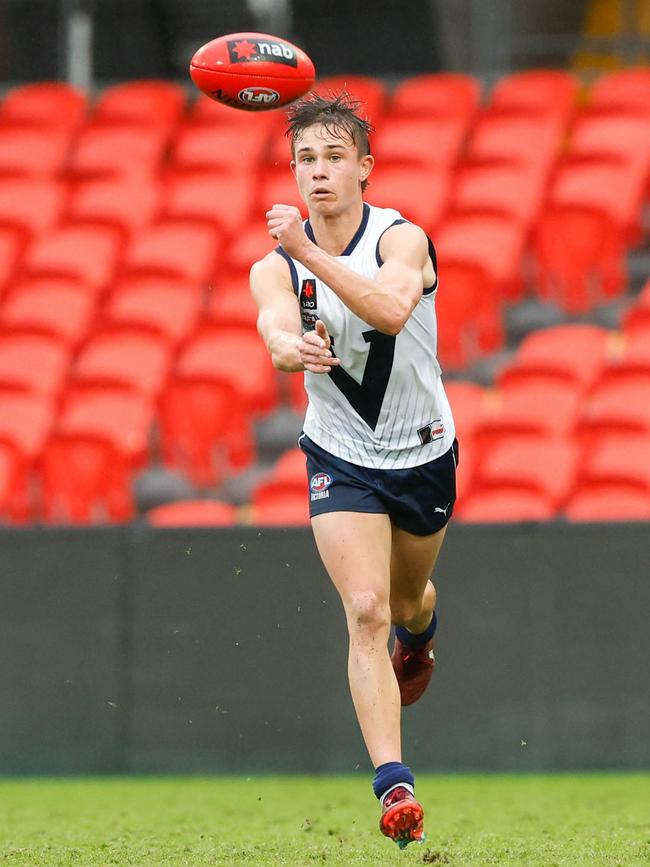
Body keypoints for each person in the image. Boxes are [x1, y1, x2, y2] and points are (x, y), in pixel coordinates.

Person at [250, 93, 457, 850]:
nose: (319, 171)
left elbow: (394, 312)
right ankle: (394, 784)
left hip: (424, 452)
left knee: (406, 598)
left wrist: (310, 252)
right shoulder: (271, 267)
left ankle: (424, 628)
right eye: (305, 159)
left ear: (365, 168)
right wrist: (286, 347)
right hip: (339, 454)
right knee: (366, 607)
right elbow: (275, 330)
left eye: (335, 156)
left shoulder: (402, 240)